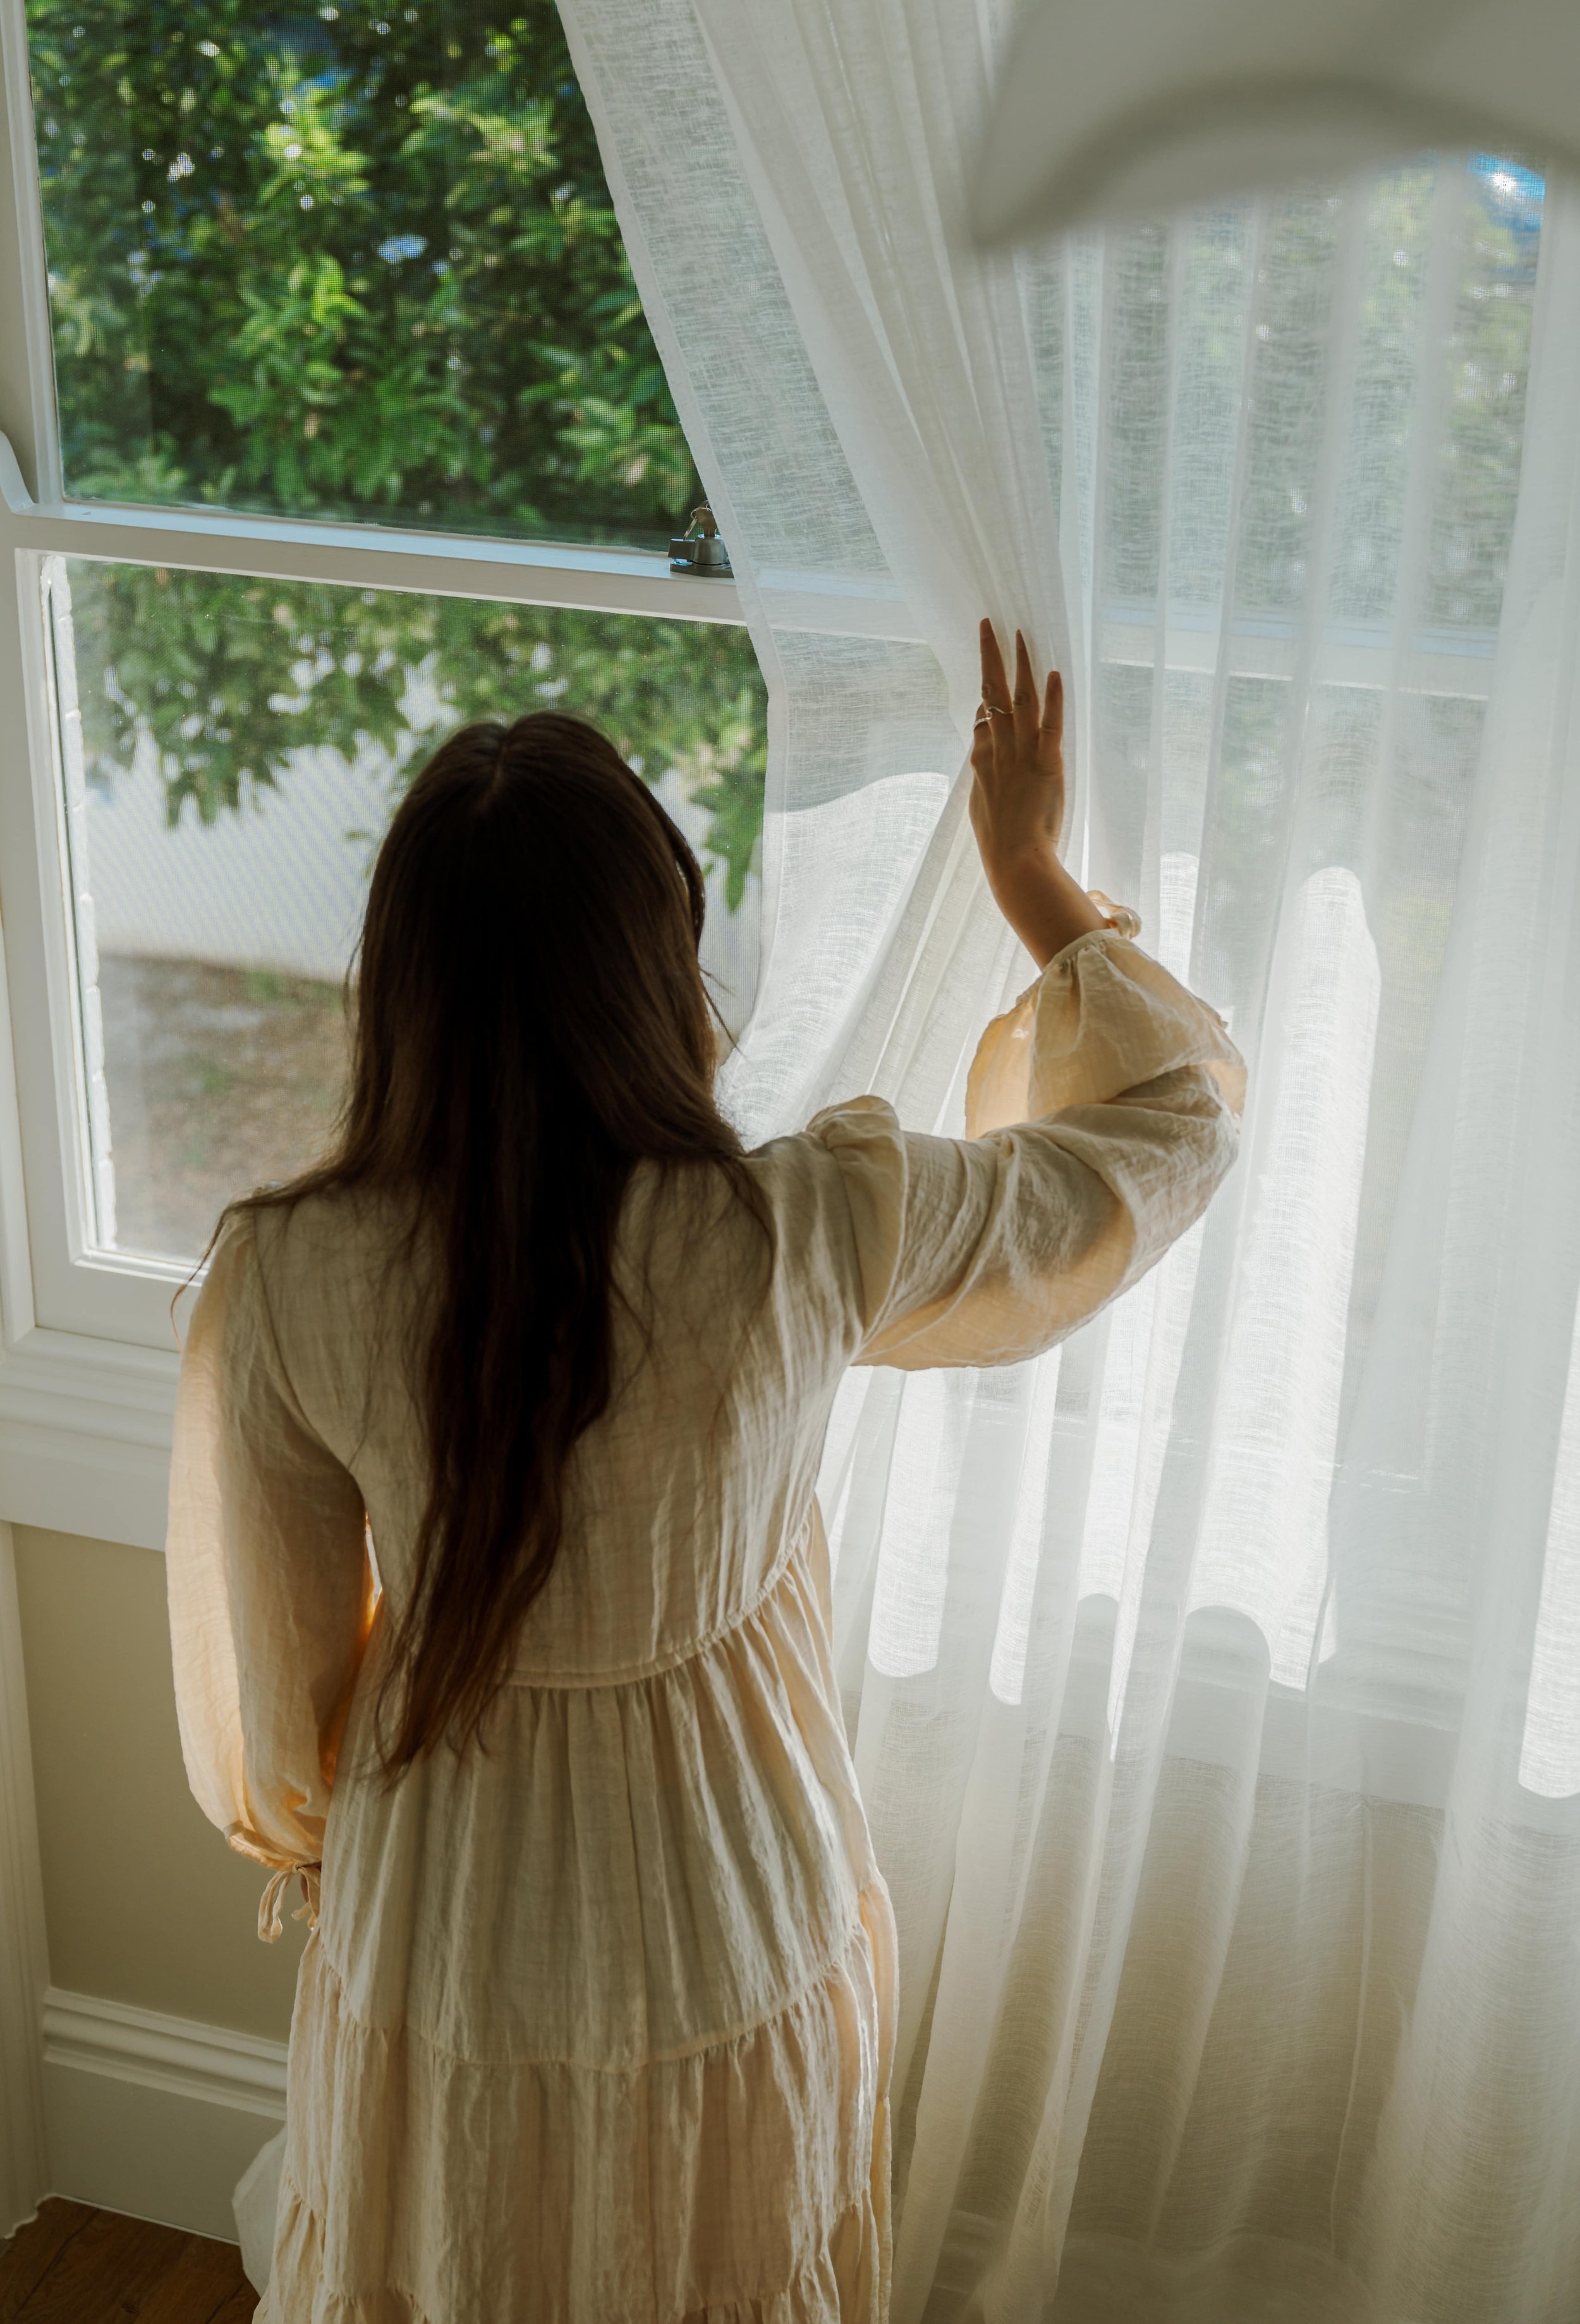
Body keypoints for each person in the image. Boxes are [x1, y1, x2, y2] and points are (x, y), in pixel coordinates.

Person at [166, 618, 1244, 2323]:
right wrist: (1033, 879)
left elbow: (285, 1699)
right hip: (734, 1889)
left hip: (447, 1897)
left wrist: (331, 1830)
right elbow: (1168, 1131)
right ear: (658, 962)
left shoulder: (287, 1276)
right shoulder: (798, 1228)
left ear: (406, 988)